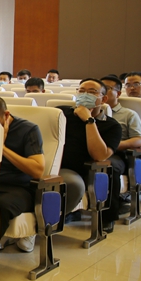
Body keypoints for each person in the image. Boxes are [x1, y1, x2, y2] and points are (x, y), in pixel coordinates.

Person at [0, 96, 45, 252]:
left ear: (6, 115)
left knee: (1, 205)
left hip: (20, 187)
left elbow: (37, 170)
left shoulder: (28, 130)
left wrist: (1, 147)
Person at [58, 78, 121, 232]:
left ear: (103, 99)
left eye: (92, 92)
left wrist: (89, 120)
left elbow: (99, 156)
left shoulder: (111, 126)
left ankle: (107, 217)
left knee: (110, 170)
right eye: (81, 91)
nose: (85, 95)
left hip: (82, 168)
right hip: (53, 163)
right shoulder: (61, 113)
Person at [101, 75, 141, 210]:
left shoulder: (128, 114)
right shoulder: (92, 112)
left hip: (117, 154)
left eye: (107, 88)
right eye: (101, 89)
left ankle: (110, 211)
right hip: (91, 150)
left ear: (118, 93)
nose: (103, 92)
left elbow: (139, 140)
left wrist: (113, 145)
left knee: (110, 166)